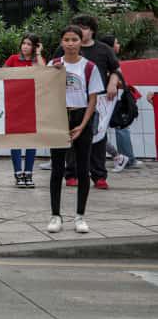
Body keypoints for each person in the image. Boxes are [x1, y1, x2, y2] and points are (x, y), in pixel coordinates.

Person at [52, 15, 121, 190]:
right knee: (70, 138)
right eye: (77, 27)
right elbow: (50, 71)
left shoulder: (104, 50)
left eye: (84, 27)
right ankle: (71, 173)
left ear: (92, 30)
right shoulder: (62, 51)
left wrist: (113, 82)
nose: (81, 32)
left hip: (98, 100)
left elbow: (116, 70)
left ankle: (99, 175)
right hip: (69, 101)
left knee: (97, 137)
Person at [47, 26, 103, 234]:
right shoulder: (54, 66)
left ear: (81, 42)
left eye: (74, 39)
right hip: (59, 117)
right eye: (66, 39)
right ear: (61, 42)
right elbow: (44, 93)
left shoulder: (89, 67)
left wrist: (82, 125)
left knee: (82, 169)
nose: (70, 43)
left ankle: (80, 215)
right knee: (57, 169)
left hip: (82, 117)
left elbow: (93, 99)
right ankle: (55, 215)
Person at [4, 33, 45, 188]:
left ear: (34, 46)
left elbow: (44, 73)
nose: (25, 46)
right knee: (15, 140)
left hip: (32, 105)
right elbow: (2, 75)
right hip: (14, 104)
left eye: (29, 44)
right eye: (24, 43)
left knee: (31, 140)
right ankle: (17, 173)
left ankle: (28, 173)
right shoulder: (13, 59)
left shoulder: (36, 61)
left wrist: (39, 53)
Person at [99, 34, 142, 172]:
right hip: (110, 101)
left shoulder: (107, 60)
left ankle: (125, 158)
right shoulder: (107, 61)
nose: (119, 45)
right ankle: (126, 158)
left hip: (113, 101)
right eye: (116, 43)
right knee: (119, 128)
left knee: (116, 129)